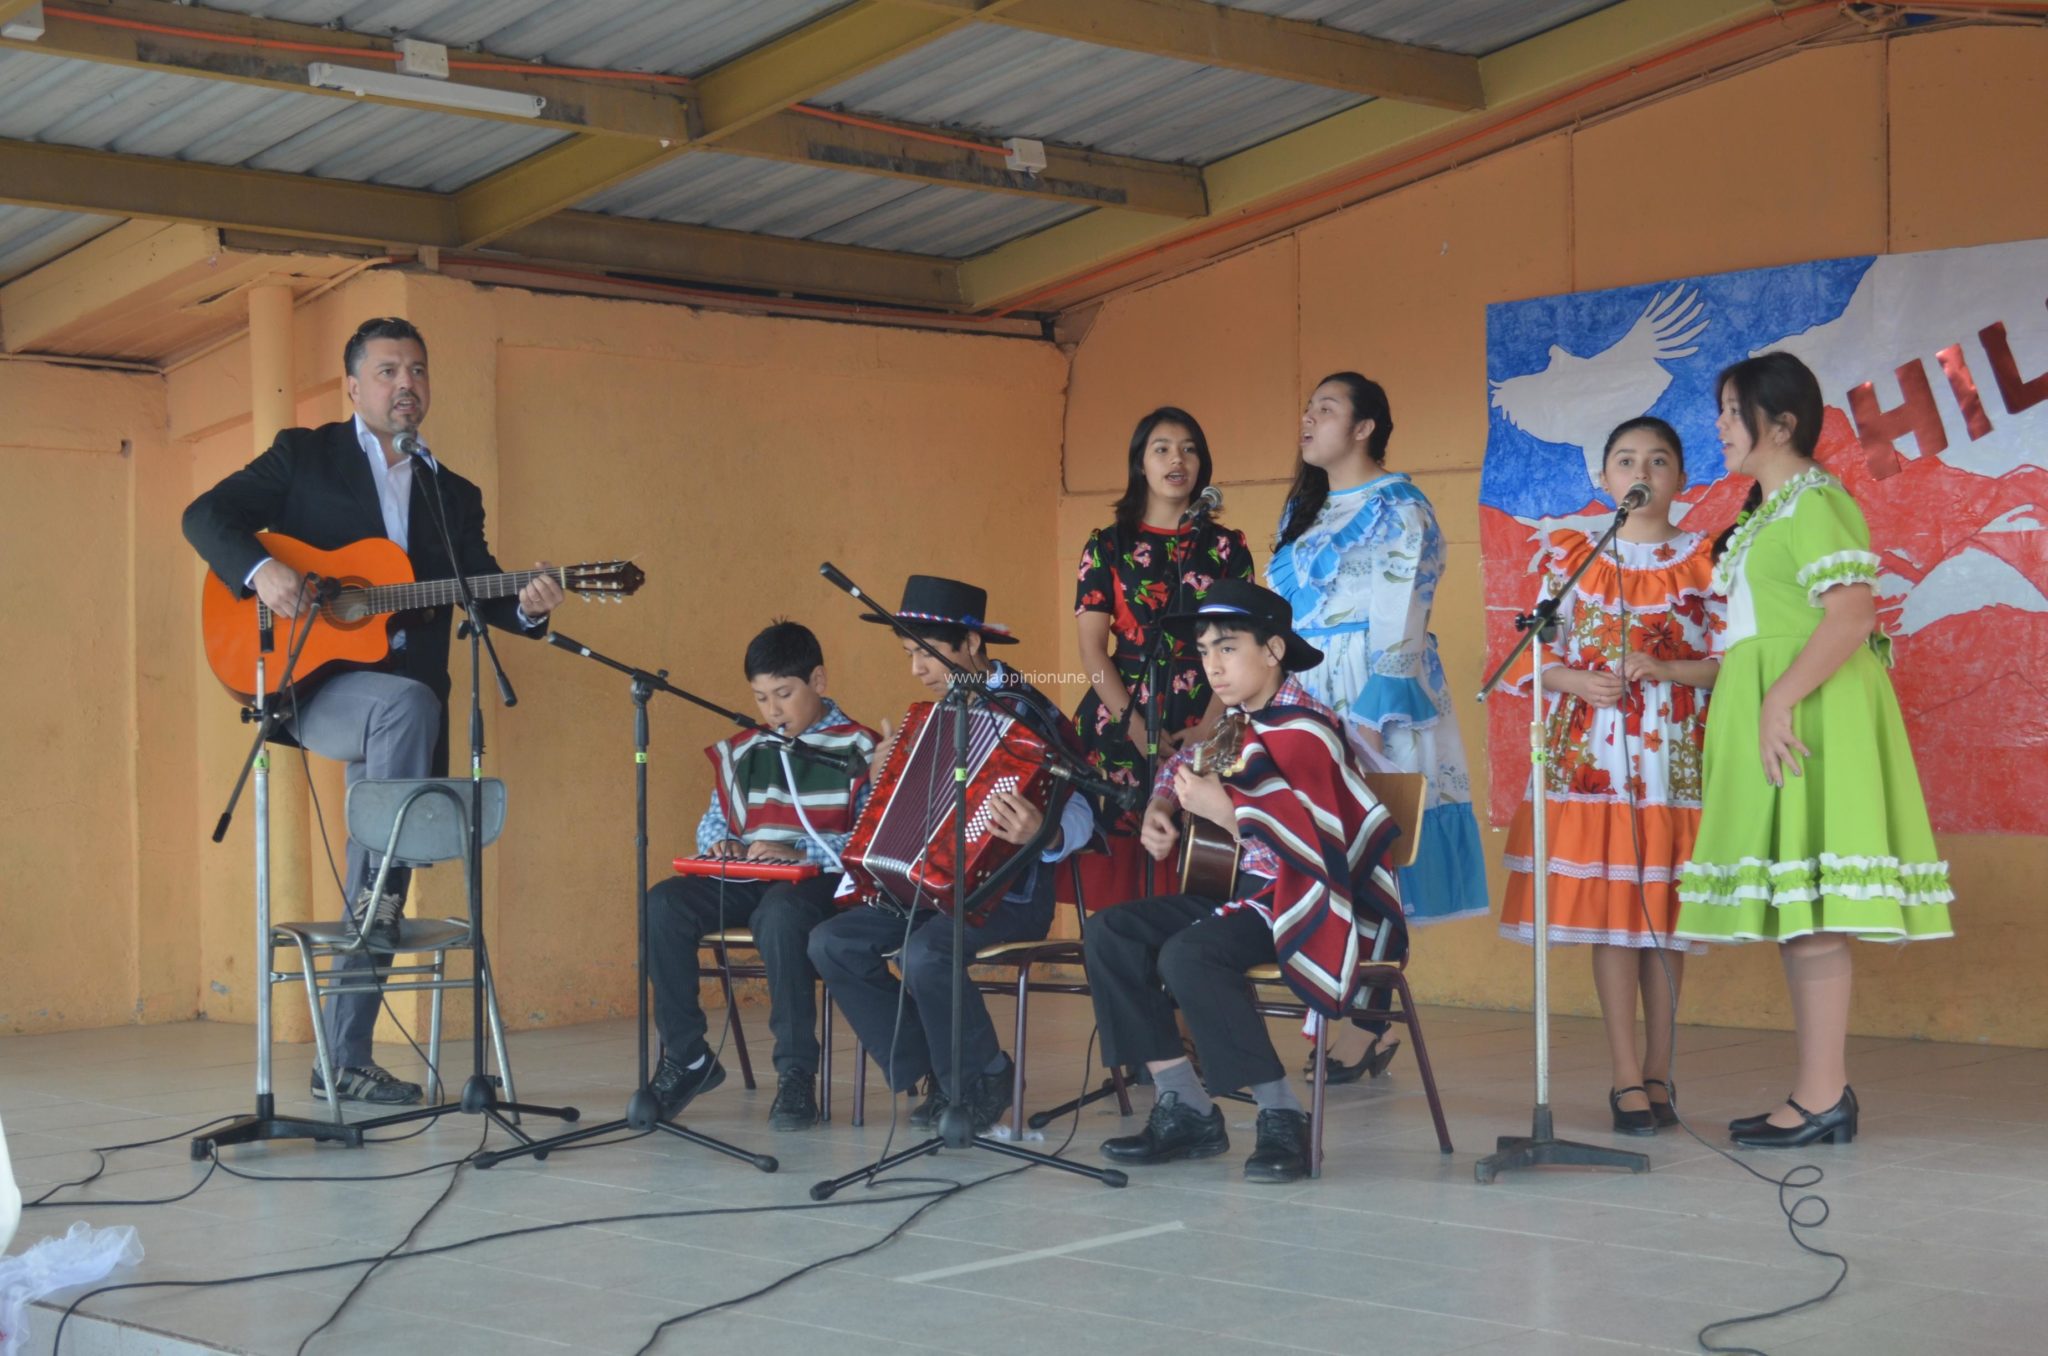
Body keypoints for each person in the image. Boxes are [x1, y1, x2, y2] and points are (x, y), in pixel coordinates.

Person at [183, 316, 564, 1106]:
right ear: (354, 386)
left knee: (374, 873)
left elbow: (481, 587)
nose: (406, 385)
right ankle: (384, 886)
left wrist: (527, 606)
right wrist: (263, 574)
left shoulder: (450, 491)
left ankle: (344, 1057)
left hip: (400, 710)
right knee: (405, 719)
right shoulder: (305, 457)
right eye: (388, 371)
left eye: (418, 371)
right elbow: (204, 516)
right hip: (307, 685)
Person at [1676, 353, 1952, 1148]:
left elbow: (1851, 613)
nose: (1722, 426)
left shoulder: (1816, 501)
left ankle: (1824, 1095)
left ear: (1783, 423)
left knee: (1818, 911)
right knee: (1803, 910)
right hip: (1785, 708)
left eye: (1734, 411)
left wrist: (1778, 700)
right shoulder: (1770, 510)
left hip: (1810, 715)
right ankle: (1818, 1091)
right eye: (1722, 410)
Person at [1083, 579, 1404, 1183]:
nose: (1212, 665)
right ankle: (1184, 1105)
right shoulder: (1232, 727)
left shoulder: (1310, 729)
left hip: (1295, 900)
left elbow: (1320, 850)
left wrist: (1226, 813)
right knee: (1110, 932)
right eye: (1204, 651)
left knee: (1188, 956)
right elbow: (1179, 767)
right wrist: (1161, 808)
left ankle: (1282, 1116)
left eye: (1227, 648)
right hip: (1233, 897)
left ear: (1274, 649)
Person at [807, 576, 1096, 1133]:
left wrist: (1046, 831)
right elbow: (894, 812)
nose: (916, 668)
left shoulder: (1028, 713)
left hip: (1008, 895)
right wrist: (879, 773)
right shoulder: (931, 717)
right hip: (923, 887)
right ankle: (942, 1071)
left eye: (926, 653)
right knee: (831, 942)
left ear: (970, 644)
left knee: (925, 954)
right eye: (910, 653)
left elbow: (1086, 806)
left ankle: (982, 1073)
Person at [1498, 418, 1722, 1134]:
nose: (1642, 471)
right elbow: (1531, 657)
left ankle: (1662, 1070)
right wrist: (1572, 679)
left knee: (1664, 917)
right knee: (1611, 918)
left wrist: (1667, 669)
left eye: (1659, 460)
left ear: (1682, 478)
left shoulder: (1710, 558)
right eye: (1626, 459)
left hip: (1672, 755)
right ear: (1603, 477)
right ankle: (1625, 1075)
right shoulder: (1572, 553)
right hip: (1591, 756)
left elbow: (1733, 660)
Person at [1265, 372, 1488, 1077]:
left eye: (1325, 409)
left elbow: (1401, 621)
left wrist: (1360, 722)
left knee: (1375, 854)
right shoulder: (1302, 513)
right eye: (1306, 407)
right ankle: (1337, 1001)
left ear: (1364, 428)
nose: (1309, 419)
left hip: (1377, 701)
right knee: (1318, 851)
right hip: (1307, 694)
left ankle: (1365, 1021)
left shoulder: (1402, 508)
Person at [643, 622, 878, 1131]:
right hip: (745, 878)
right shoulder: (745, 750)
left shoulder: (861, 747)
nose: (773, 710)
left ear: (818, 680)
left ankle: (796, 1072)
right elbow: (714, 821)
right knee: (663, 903)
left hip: (814, 886)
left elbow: (868, 839)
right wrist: (720, 844)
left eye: (784, 694)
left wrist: (795, 849)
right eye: (761, 697)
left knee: (781, 915)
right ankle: (687, 1057)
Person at [1073, 407, 1254, 905]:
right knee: (1123, 875)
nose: (1178, 458)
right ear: (1141, 465)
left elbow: (1240, 645)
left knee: (1198, 870)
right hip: (1121, 711)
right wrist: (1133, 724)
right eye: (1163, 448)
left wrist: (1210, 729)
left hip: (1207, 708)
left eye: (1189, 448)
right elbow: (1092, 649)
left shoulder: (1226, 547)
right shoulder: (1106, 545)